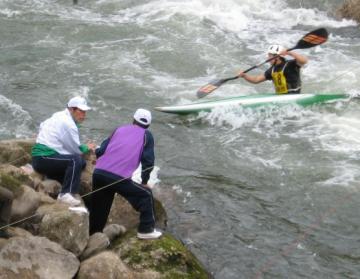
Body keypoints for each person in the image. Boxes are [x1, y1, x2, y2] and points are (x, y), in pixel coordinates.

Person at [89, 108, 162, 239]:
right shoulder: (147, 135)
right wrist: (144, 182)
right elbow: (148, 162)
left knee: (99, 210)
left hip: (99, 174)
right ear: (148, 125)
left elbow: (102, 150)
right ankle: (146, 230)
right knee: (145, 195)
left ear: (133, 119)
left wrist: (96, 157)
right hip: (118, 178)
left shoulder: (119, 129)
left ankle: (93, 236)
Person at [31, 96, 95, 206]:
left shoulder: (58, 115)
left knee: (81, 163)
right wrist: (87, 147)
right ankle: (66, 194)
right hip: (43, 158)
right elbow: (75, 149)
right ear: (71, 109)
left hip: (43, 158)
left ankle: (52, 178)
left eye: (85, 112)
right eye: (81, 111)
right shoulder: (69, 124)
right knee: (76, 160)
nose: (83, 115)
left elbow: (42, 125)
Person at [238, 45, 308, 94]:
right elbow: (256, 80)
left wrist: (289, 52)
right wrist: (244, 76)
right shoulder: (272, 70)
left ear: (276, 57)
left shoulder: (290, 65)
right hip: (281, 98)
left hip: (294, 96)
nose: (268, 58)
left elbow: (304, 61)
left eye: (269, 55)